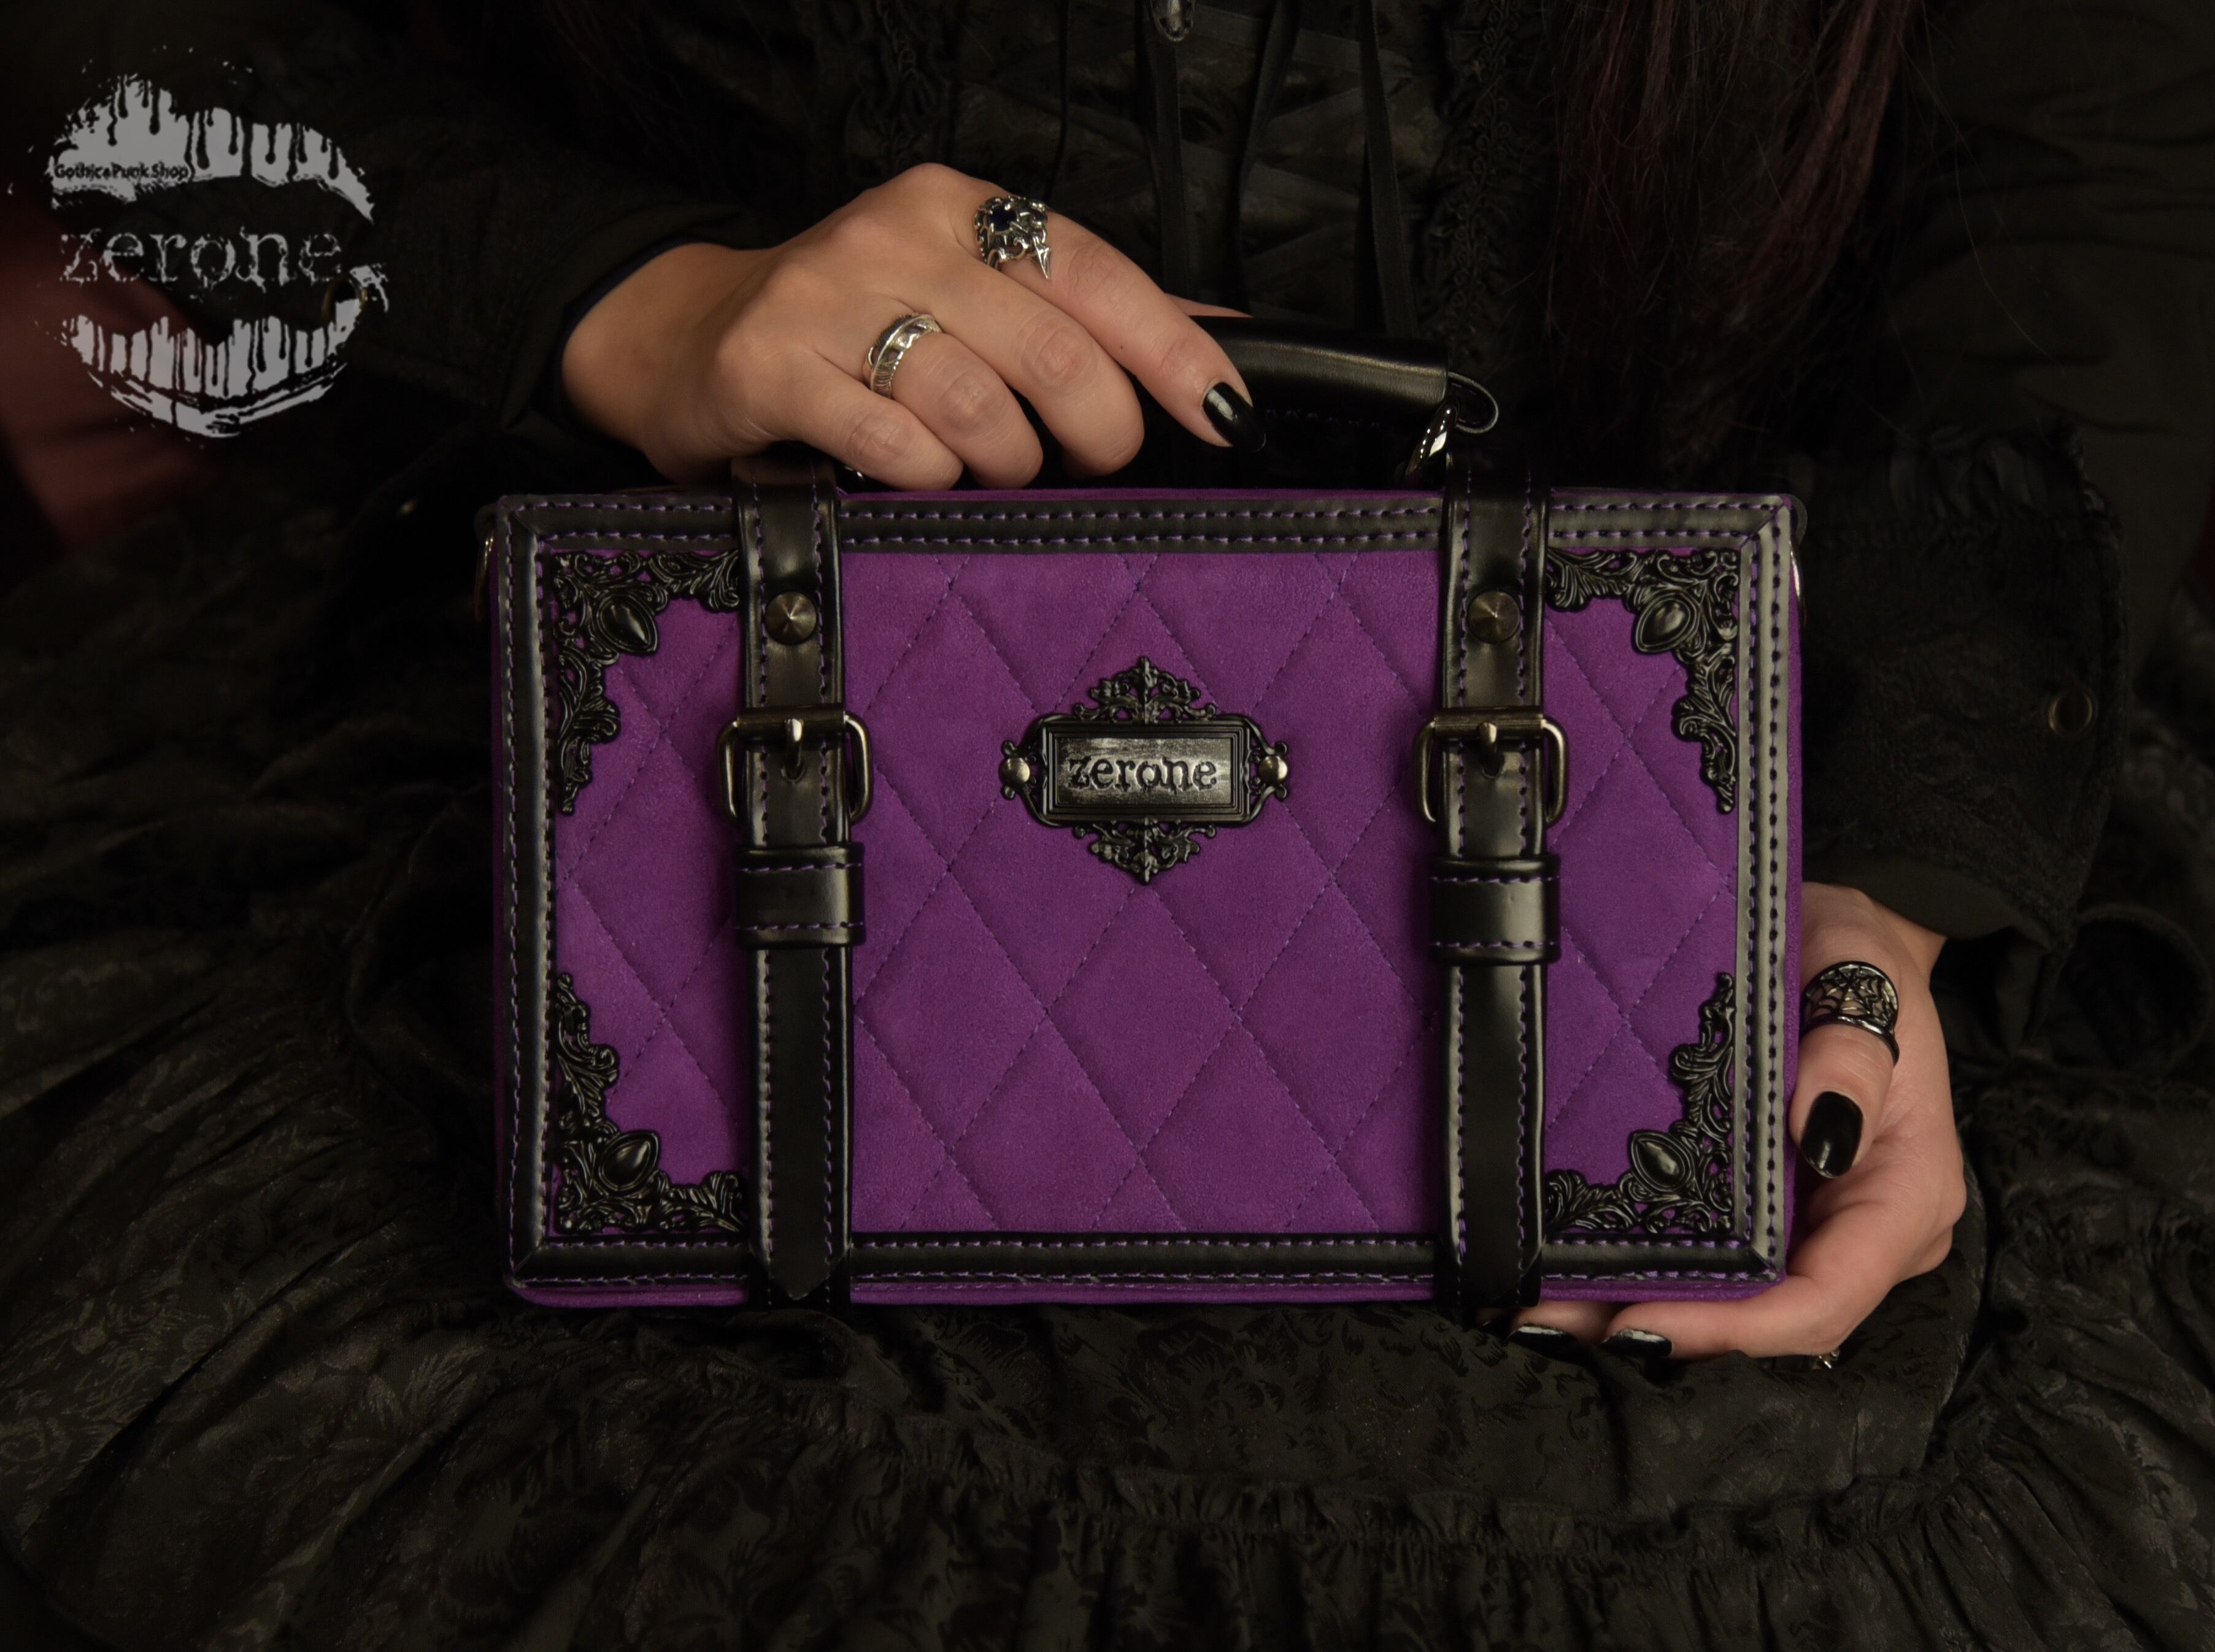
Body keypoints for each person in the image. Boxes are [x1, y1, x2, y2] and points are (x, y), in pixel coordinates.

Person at [0, 0, 2210, 1645]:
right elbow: (115, 60)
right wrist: (640, 301)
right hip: (663, 728)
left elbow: (2074, 185)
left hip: (1696, 750)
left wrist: (1868, 902)